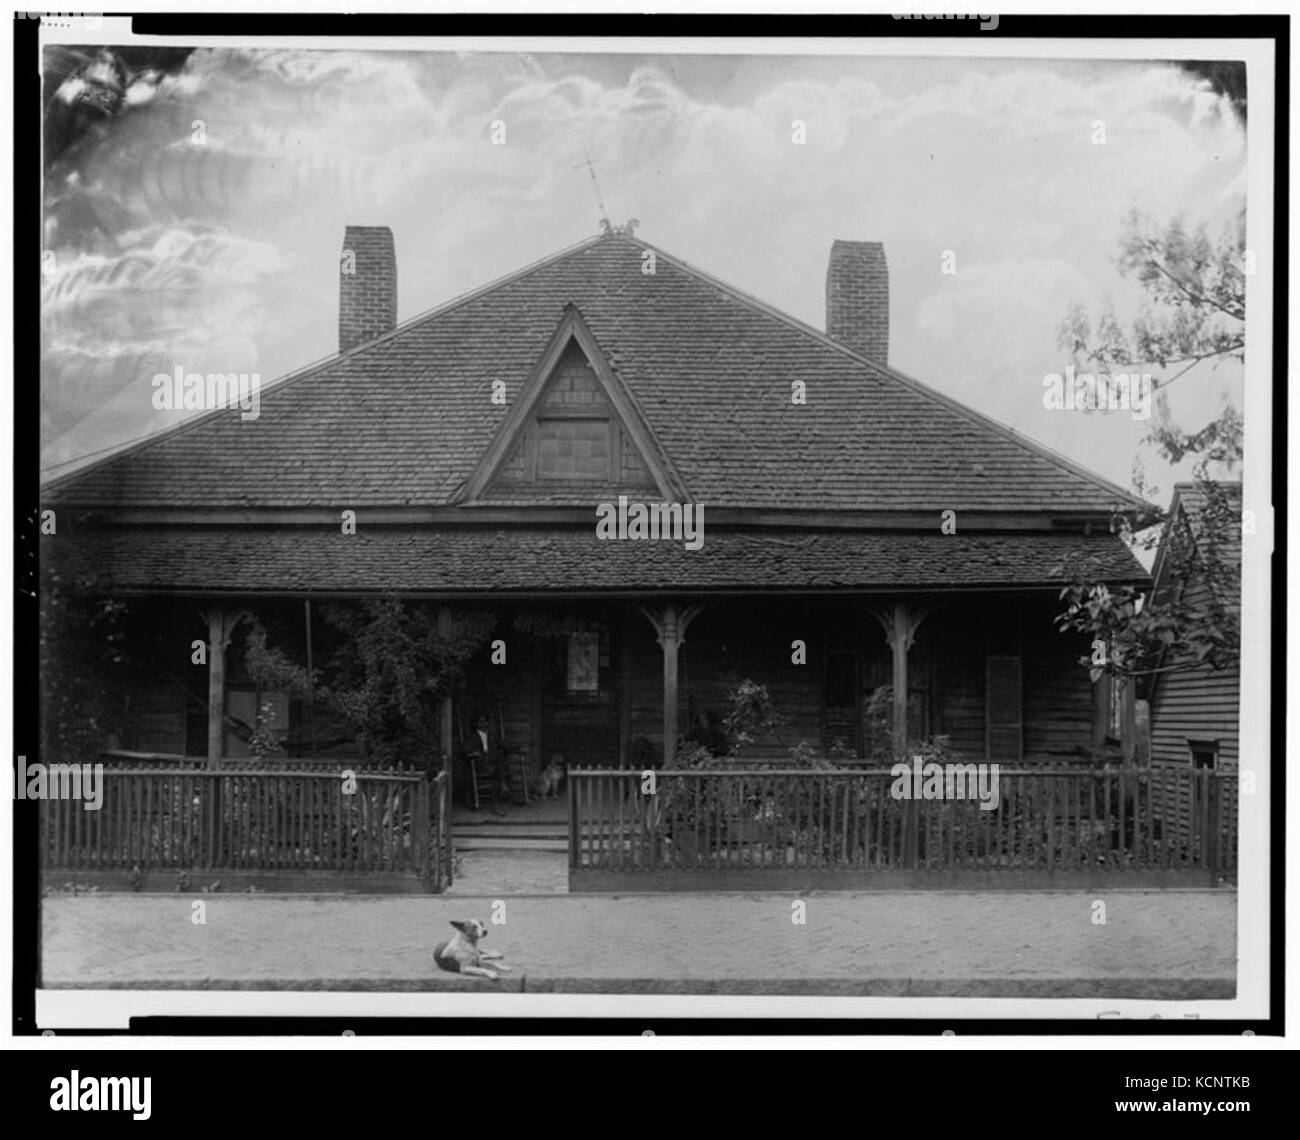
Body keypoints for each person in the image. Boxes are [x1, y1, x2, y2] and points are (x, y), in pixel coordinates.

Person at [462, 711, 509, 816]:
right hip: (480, 763)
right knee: (497, 772)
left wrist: (510, 748)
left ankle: (500, 790)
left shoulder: (493, 735)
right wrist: (473, 753)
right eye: (480, 722)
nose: (483, 724)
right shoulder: (471, 736)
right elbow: (465, 750)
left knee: (499, 761)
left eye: (485, 722)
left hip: (492, 762)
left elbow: (504, 746)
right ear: (475, 724)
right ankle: (503, 785)